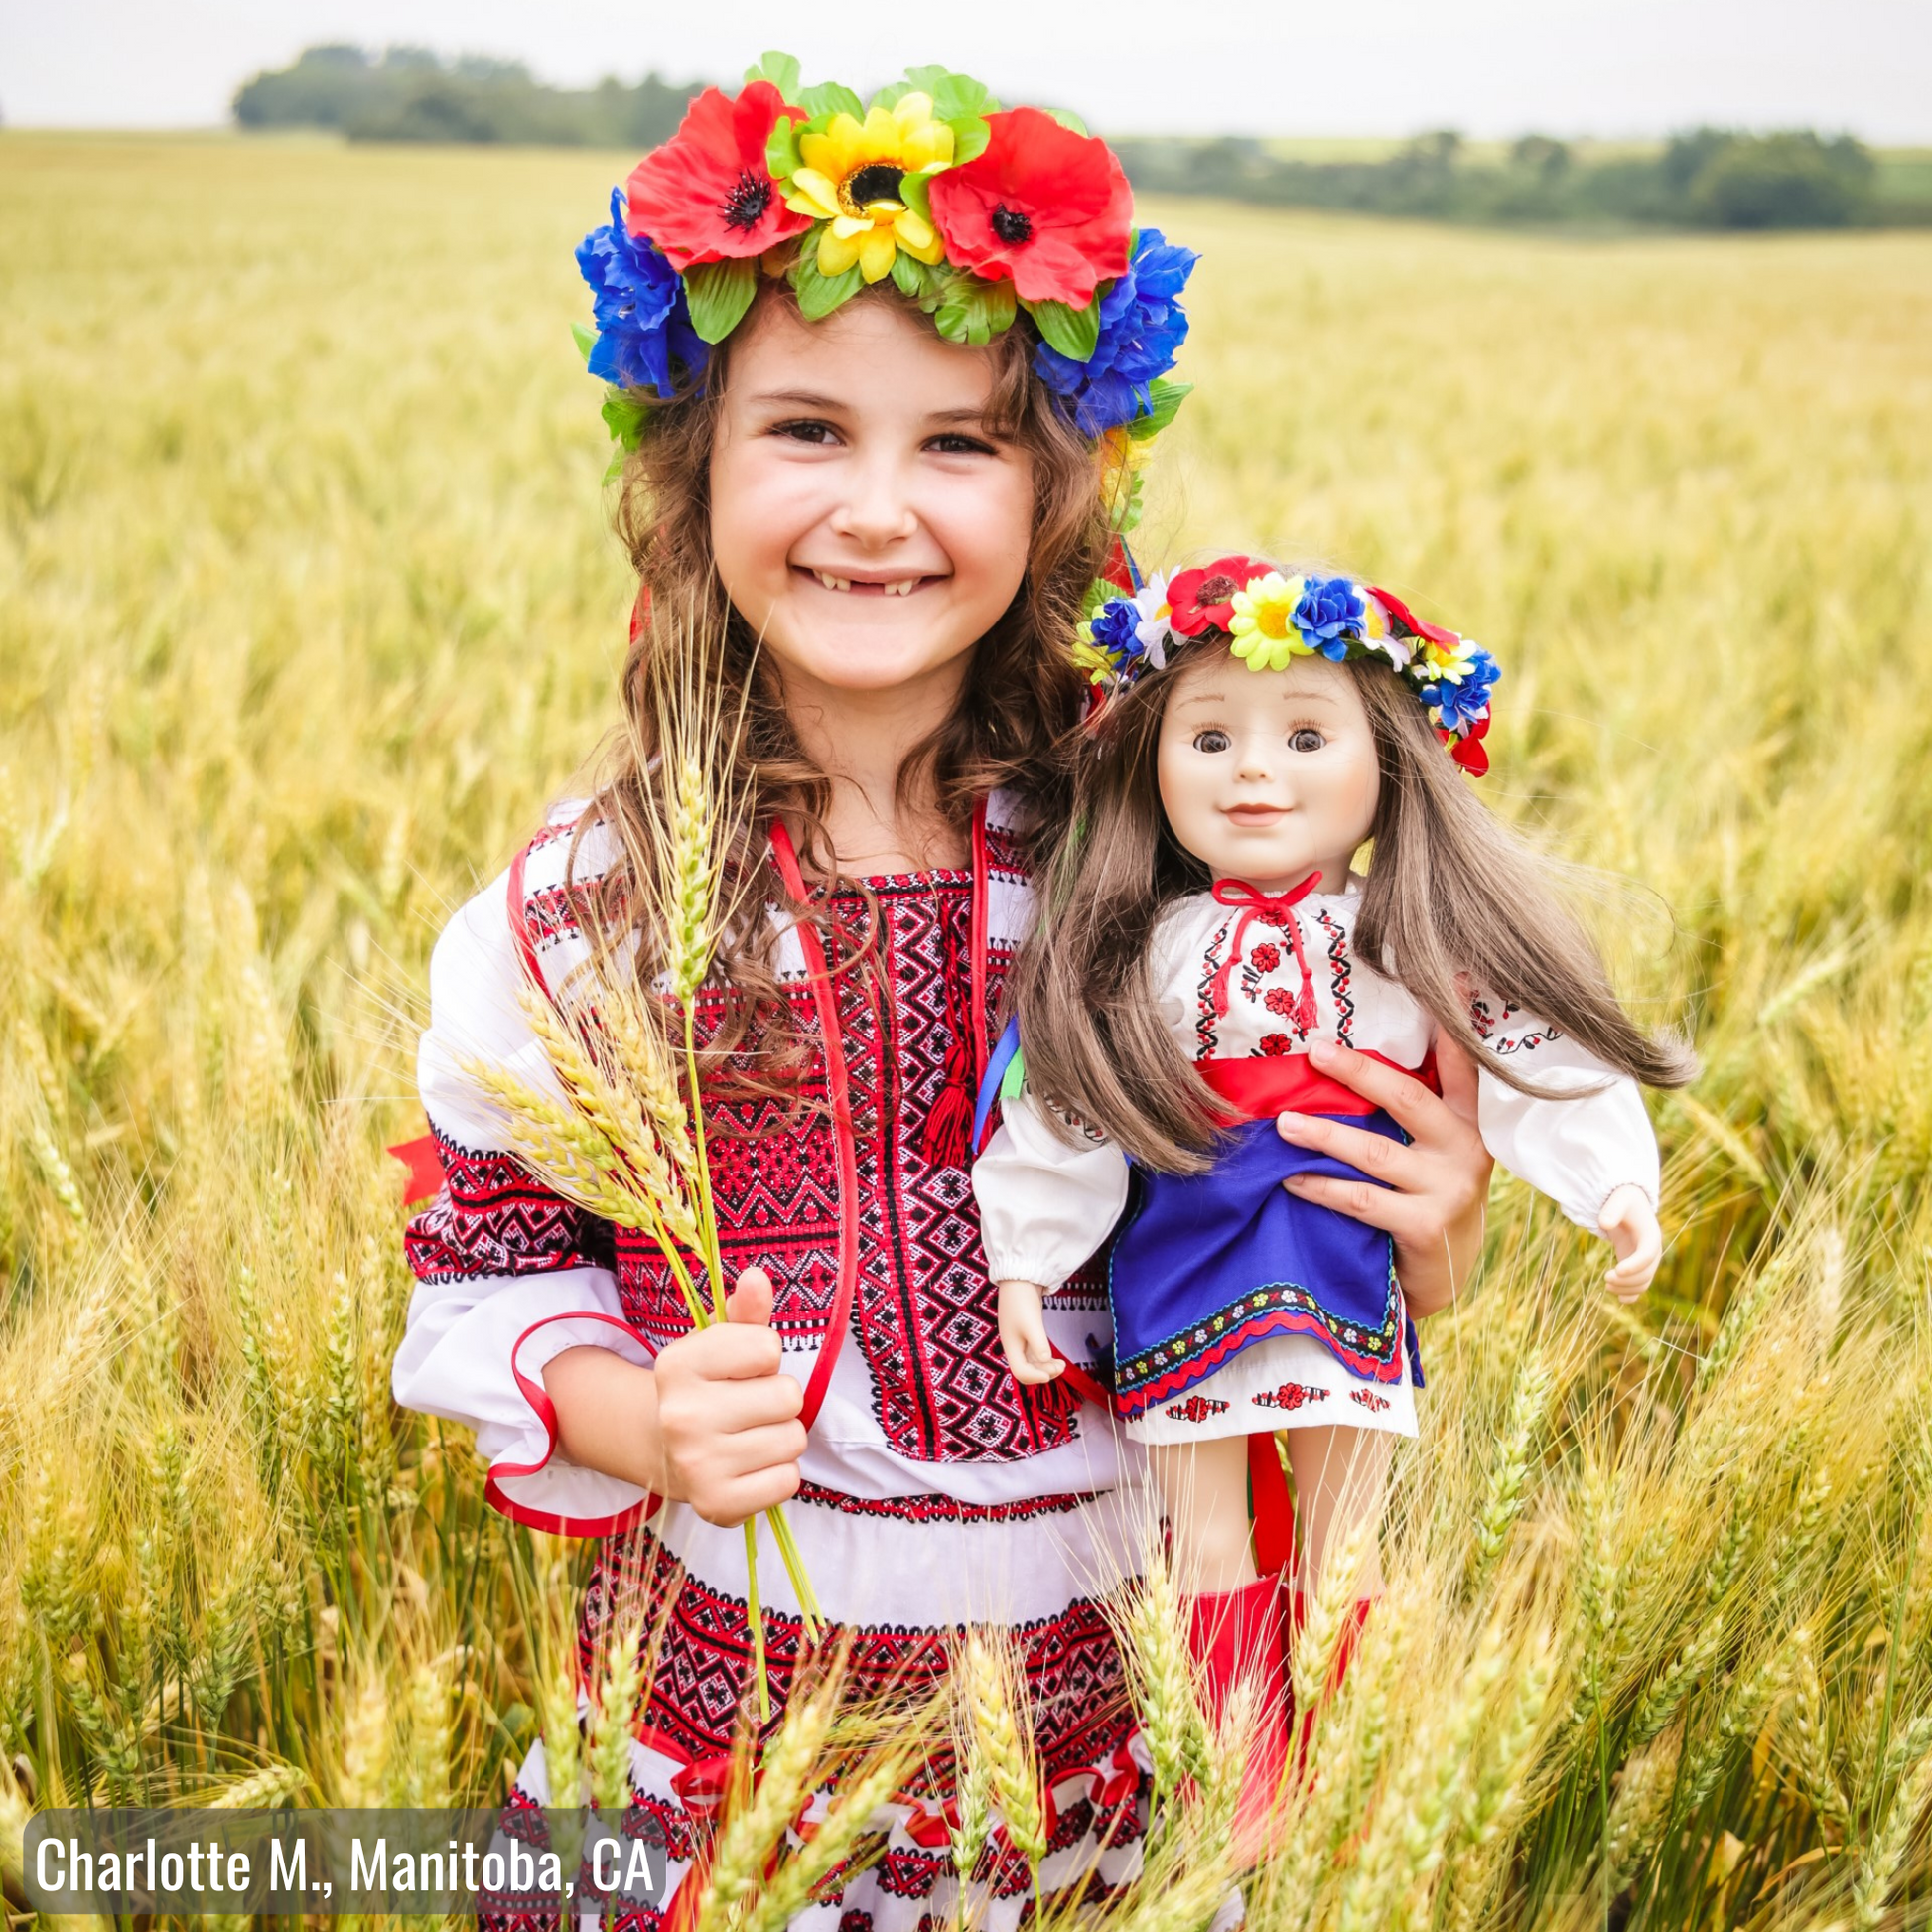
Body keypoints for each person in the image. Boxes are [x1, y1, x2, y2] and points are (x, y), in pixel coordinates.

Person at [391, 61, 1495, 1927]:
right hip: (717, 1748)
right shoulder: (578, 910)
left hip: (1119, 1728)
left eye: (961, 445)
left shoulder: (1155, 866)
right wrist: (640, 1420)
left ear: (1060, 491)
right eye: (806, 431)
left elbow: (1306, 1228)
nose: (878, 510)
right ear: (691, 471)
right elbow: (490, 1263)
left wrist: (1432, 1233)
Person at [974, 555, 1693, 1833]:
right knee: (1198, 1530)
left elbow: (1536, 1057)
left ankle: (1340, 1772)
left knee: (1342, 1530)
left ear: (1389, 764)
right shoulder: (1139, 951)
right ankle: (1233, 1790)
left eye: (1305, 734)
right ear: (1149, 759)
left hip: (1343, 1240)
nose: (1254, 771)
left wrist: (1614, 1190)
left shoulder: (1404, 940)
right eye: (1208, 736)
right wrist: (1024, 1256)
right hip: (1186, 1253)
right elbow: (1067, 1105)